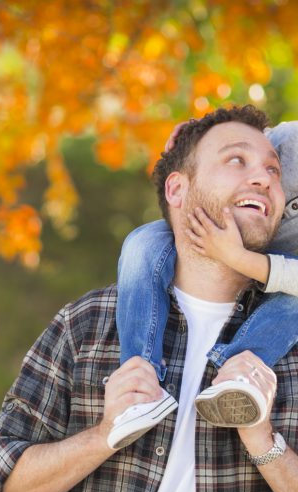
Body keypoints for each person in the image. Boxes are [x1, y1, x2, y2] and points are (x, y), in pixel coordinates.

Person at [0, 105, 298, 492]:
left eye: (273, 169)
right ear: (178, 189)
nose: (265, 178)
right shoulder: (88, 325)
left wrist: (263, 441)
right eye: (236, 160)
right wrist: (104, 435)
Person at [109, 121, 298, 449]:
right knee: (143, 242)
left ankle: (238, 375)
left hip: (285, 274)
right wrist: (194, 136)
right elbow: (245, 146)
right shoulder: (290, 138)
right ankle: (140, 379)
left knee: (291, 305)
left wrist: (238, 257)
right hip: (233, 231)